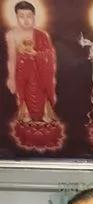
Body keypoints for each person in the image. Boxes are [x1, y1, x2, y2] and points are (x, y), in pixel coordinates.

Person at [4, 0, 63, 151]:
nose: (25, 20)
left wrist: (36, 54)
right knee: (24, 101)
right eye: (21, 16)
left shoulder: (42, 35)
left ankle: (44, 119)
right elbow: (12, 58)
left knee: (42, 98)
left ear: (34, 17)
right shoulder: (12, 35)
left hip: (40, 74)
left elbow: (50, 54)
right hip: (23, 75)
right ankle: (27, 121)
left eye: (29, 16)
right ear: (16, 17)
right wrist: (11, 78)